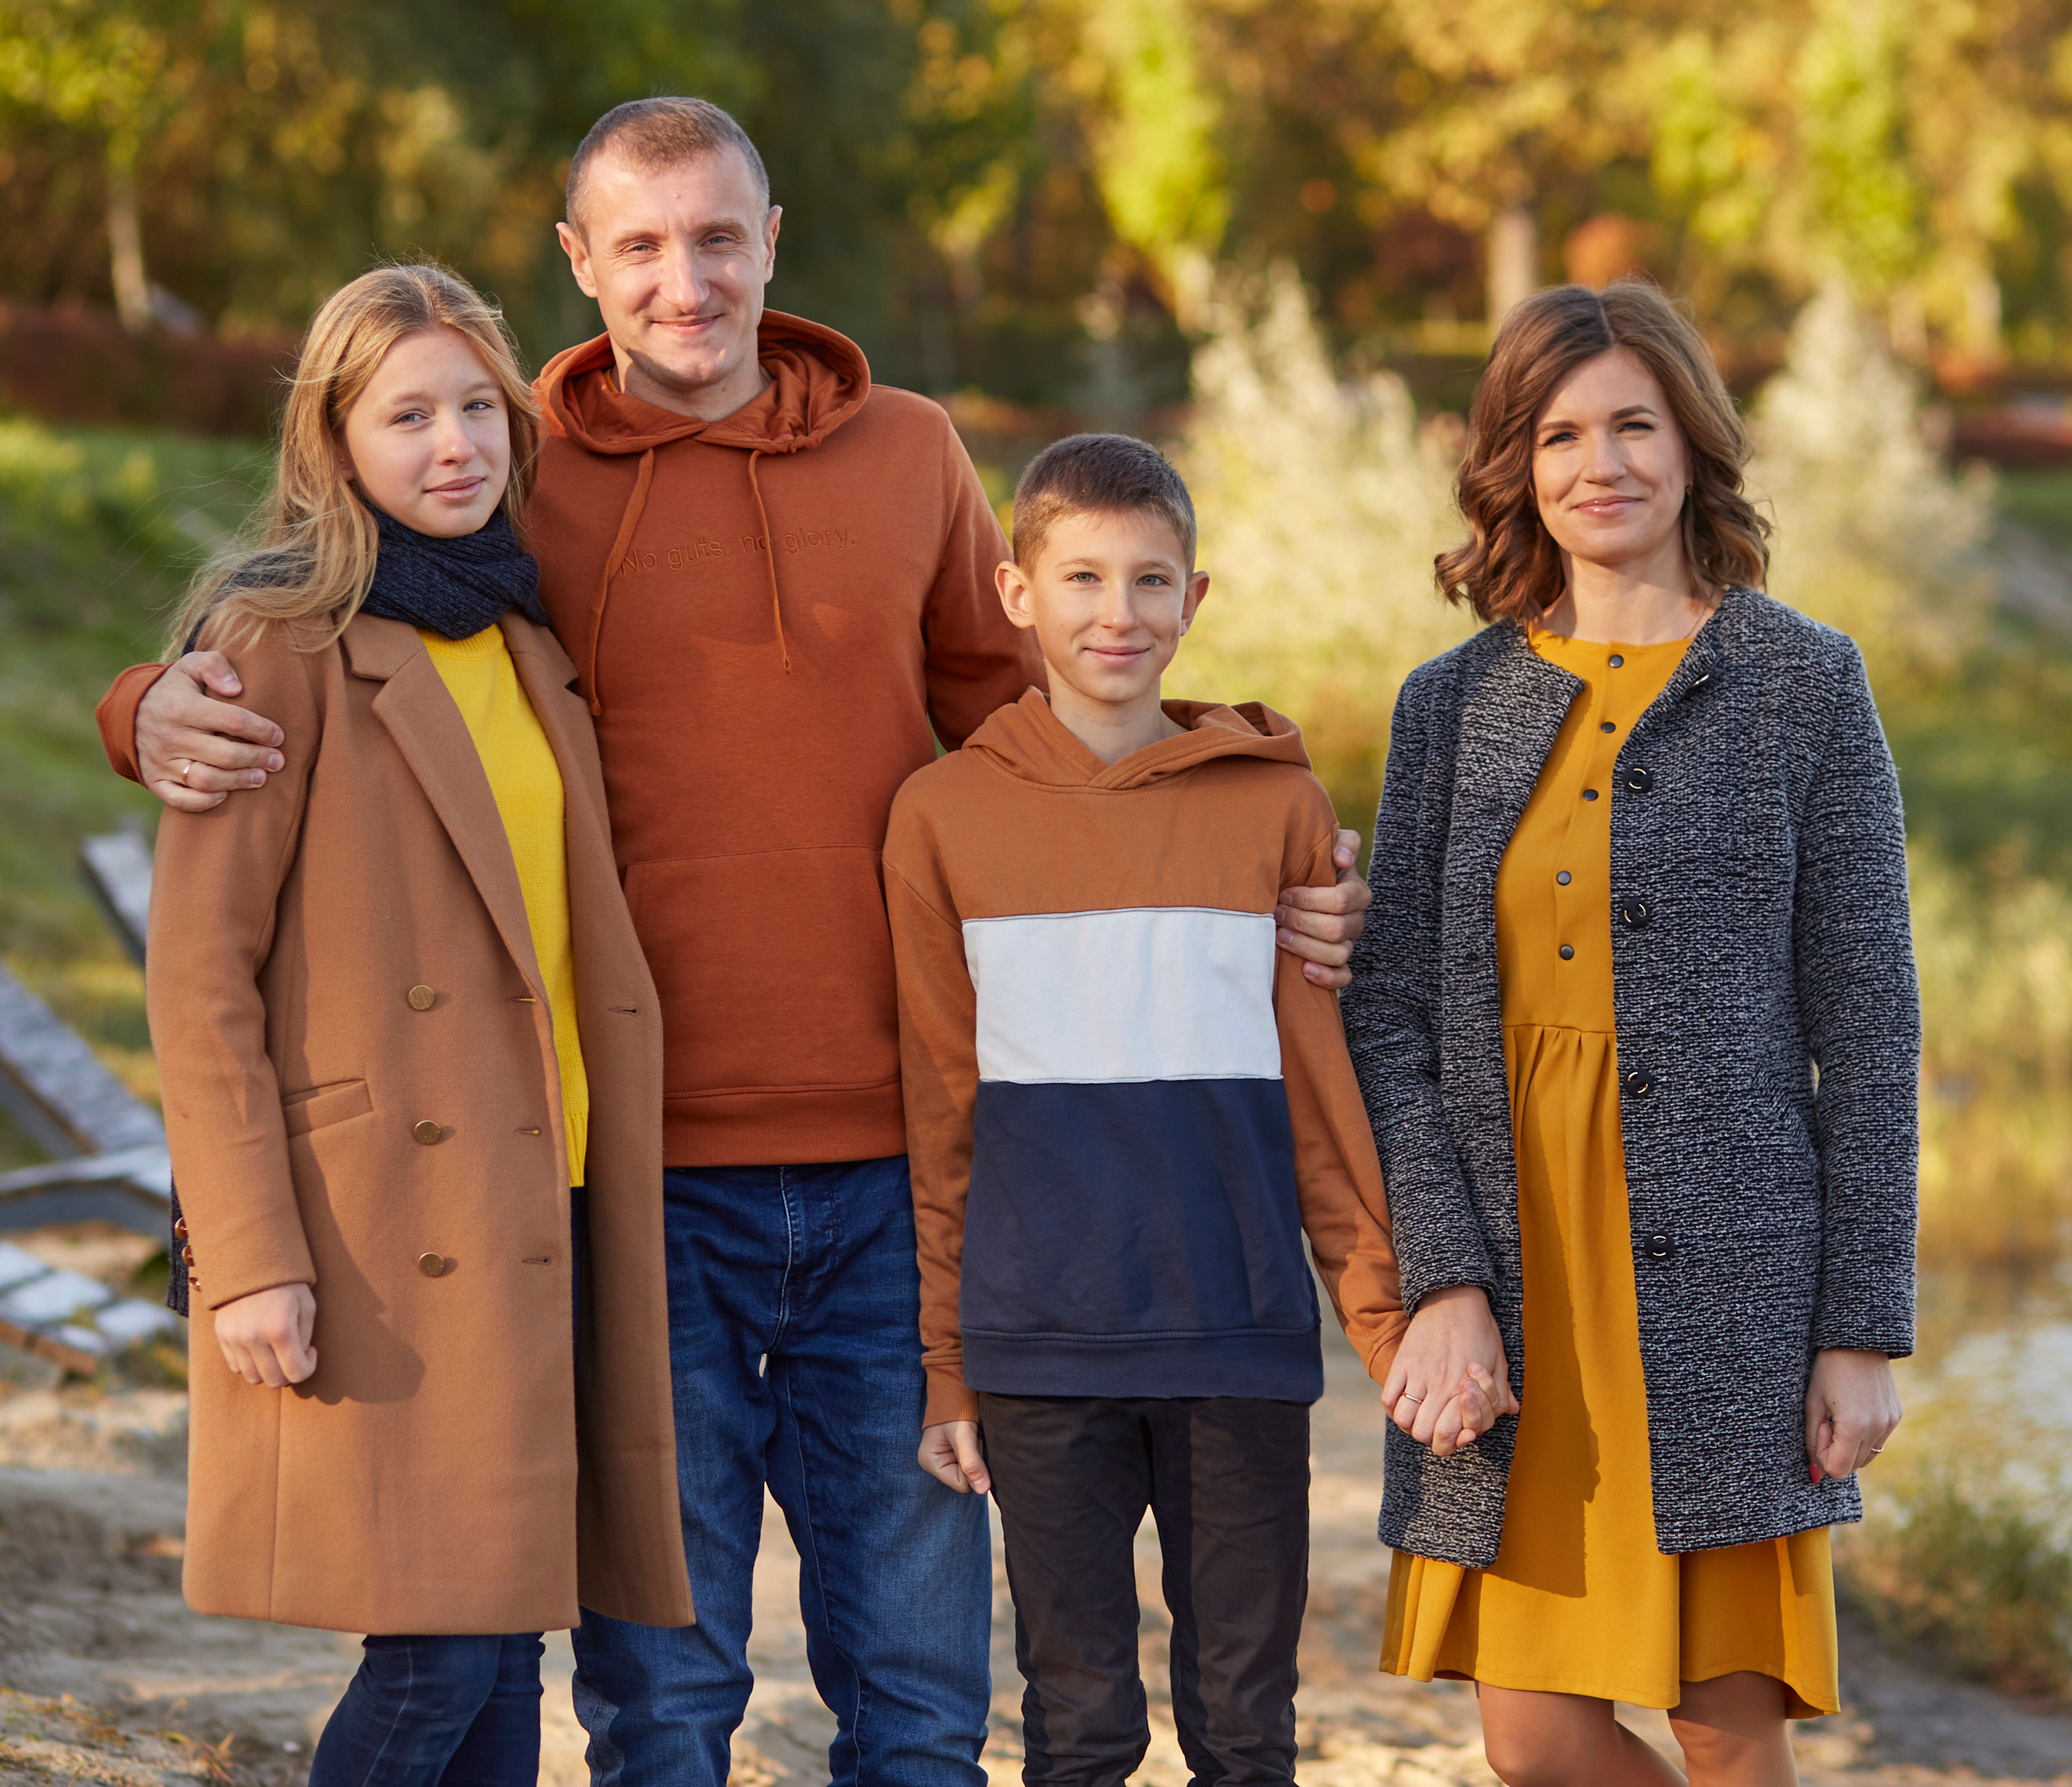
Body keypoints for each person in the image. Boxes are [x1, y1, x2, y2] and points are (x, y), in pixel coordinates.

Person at [96, 100, 1376, 1787]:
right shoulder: (522, 479)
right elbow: (335, 606)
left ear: (773, 240)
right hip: (629, 1187)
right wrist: (145, 704)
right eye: (638, 244)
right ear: (580, 262)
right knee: (660, 1702)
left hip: (895, 1167)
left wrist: (1256, 819)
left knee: (919, 1699)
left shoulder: (910, 454)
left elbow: (1052, 720)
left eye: (715, 236)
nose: (682, 279)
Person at [1342, 280, 1919, 1787]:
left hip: (1734, 1272)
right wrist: (1442, 1282)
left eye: (1634, 426)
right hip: (1516, 1265)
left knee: (1726, 1726)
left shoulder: (1805, 683)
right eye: (1559, 435)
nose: (1599, 464)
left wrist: (1861, 1329)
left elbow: (1869, 1027)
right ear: (1516, 468)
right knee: (1533, 1740)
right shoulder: (1448, 706)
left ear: (1694, 442)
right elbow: (1390, 1018)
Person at [144, 264, 691, 1787]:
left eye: (476, 409)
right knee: (439, 1652)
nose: (453, 445)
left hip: (550, 1196)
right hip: (379, 1219)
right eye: (406, 416)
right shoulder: (280, 641)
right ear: (334, 439)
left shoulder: (525, 635)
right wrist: (247, 1254)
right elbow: (199, 976)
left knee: (506, 1640)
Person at [885, 434, 1497, 1787]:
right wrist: (947, 1364)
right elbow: (942, 1112)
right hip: (1041, 1349)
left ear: (1196, 598)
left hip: (1238, 1339)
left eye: (1151, 580)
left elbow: (1322, 1097)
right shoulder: (940, 816)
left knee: (1245, 1724)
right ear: (1015, 593)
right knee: (1078, 1723)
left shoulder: (1273, 807)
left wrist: (1383, 1318)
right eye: (1083, 578)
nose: (1119, 613)